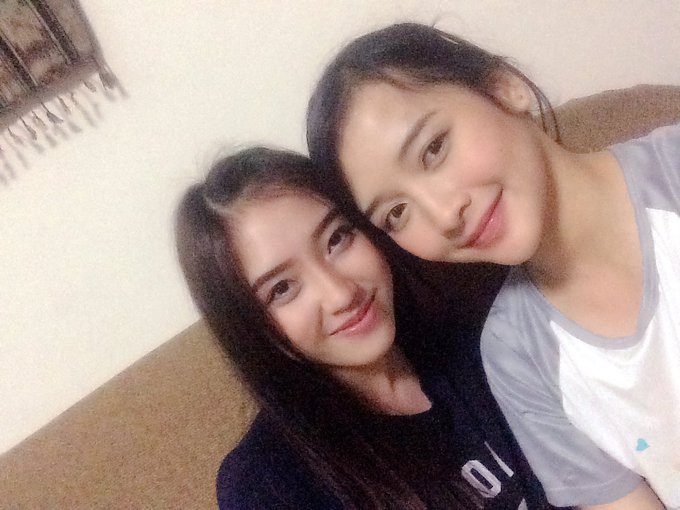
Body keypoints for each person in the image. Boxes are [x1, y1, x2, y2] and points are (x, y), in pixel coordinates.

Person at [306, 22, 678, 509]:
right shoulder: (514, 354)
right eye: (396, 213)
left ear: (505, 87)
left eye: (434, 148)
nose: (443, 215)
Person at [175, 147, 557, 509]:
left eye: (336, 239)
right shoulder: (268, 484)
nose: (341, 294)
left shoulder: (478, 334)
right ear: (250, 327)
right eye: (282, 289)